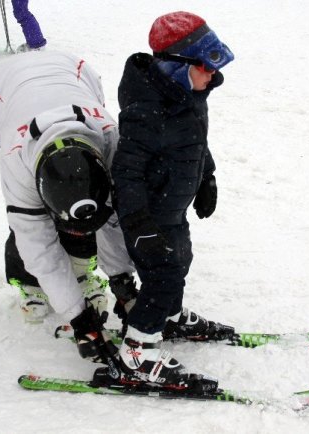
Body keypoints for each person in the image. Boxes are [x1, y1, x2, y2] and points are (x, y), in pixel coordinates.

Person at [0, 50, 136, 363]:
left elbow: (114, 218)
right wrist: (79, 318)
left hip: (75, 72)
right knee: (30, 219)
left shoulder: (113, 143)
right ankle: (27, 278)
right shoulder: (17, 162)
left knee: (96, 211)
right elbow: (34, 239)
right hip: (0, 90)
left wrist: (123, 282)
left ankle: (80, 269)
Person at [111, 11, 235, 386]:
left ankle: (169, 316)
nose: (211, 74)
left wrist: (207, 176)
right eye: (205, 67)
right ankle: (136, 352)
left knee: (180, 262)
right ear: (178, 67)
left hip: (173, 207)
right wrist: (139, 226)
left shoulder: (191, 94)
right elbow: (126, 174)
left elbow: (196, 140)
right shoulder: (146, 112)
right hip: (148, 217)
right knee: (162, 278)